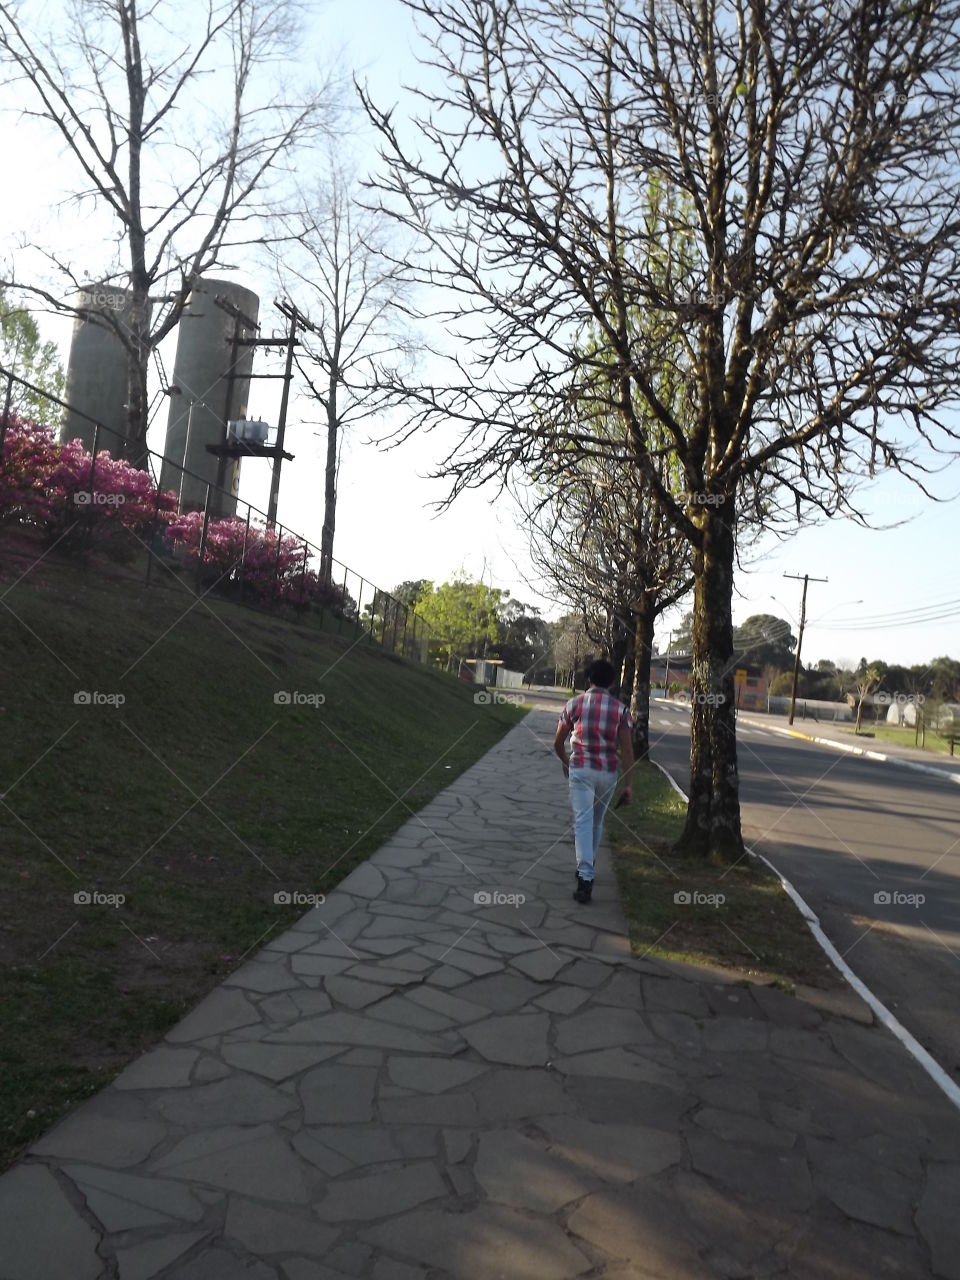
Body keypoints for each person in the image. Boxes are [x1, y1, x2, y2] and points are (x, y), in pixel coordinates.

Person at [553, 658, 634, 904]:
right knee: (596, 822)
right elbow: (628, 750)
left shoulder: (574, 704)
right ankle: (587, 866)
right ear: (611, 682)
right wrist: (629, 784)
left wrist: (566, 761)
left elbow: (557, 742)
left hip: (581, 770)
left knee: (583, 823)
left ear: (588, 679)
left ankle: (585, 877)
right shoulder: (621, 710)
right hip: (608, 773)